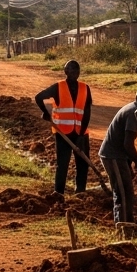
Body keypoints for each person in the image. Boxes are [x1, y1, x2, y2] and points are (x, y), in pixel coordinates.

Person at [34, 60, 93, 195]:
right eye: (71, 71)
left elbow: (87, 112)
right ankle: (58, 193)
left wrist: (81, 135)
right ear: (65, 72)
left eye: (76, 71)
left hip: (81, 133)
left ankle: (80, 192)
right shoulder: (58, 87)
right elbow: (38, 97)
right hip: (63, 133)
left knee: (82, 164)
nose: (74, 73)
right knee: (63, 164)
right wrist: (45, 112)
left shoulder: (85, 88)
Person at [99, 86, 137, 226]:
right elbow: (127, 144)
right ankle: (124, 227)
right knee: (124, 194)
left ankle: (125, 223)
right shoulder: (133, 113)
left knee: (125, 191)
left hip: (119, 156)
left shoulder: (132, 109)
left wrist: (131, 163)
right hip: (113, 156)